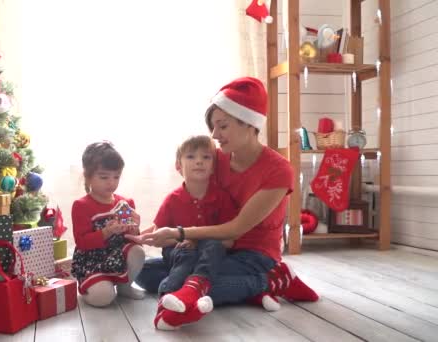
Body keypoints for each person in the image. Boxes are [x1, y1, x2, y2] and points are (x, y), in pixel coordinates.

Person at [132, 77, 319, 327]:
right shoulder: (217, 159)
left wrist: (179, 233)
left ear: (249, 123)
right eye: (212, 127)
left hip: (254, 255)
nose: (214, 135)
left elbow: (236, 228)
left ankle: (270, 280)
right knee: (144, 272)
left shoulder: (278, 171)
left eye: (222, 126)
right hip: (212, 248)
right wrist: (141, 236)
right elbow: (188, 197)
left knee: (200, 283)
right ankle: (216, 289)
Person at [150, 135, 237, 330]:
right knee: (180, 258)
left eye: (206, 157)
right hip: (179, 253)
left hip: (210, 254)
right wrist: (181, 241)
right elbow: (159, 238)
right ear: (178, 166)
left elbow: (230, 241)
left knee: (213, 245)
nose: (199, 161)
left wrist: (196, 240)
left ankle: (191, 291)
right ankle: (167, 300)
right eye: (191, 157)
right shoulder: (172, 199)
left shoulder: (222, 197)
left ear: (214, 166)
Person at [71, 141, 146, 307]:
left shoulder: (126, 202)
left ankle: (125, 286)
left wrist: (135, 229)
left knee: (138, 251)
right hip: (92, 261)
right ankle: (88, 286)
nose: (111, 182)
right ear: (88, 176)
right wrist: (106, 232)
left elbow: (132, 239)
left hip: (117, 256)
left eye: (116, 176)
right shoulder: (81, 205)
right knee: (104, 298)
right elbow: (82, 243)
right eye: (104, 177)